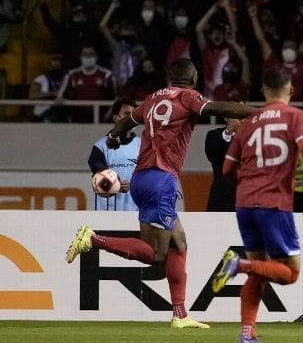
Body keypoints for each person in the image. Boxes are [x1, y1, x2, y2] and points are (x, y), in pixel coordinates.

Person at [65, 58, 256, 329]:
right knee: (155, 254)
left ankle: (180, 314)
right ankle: (94, 239)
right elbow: (215, 107)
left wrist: (111, 137)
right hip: (162, 179)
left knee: (179, 243)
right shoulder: (189, 96)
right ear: (193, 79)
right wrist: (254, 112)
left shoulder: (153, 99)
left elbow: (125, 123)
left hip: (142, 178)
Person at [210, 67, 303, 343]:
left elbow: (228, 169)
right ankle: (237, 265)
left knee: (260, 272)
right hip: (274, 204)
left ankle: (247, 334)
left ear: (263, 92)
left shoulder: (249, 123)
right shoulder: (296, 116)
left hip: (244, 204)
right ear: (290, 90)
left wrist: (247, 185)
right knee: (290, 273)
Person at [87, 98, 140, 211]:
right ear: (116, 118)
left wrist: (134, 185)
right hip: (106, 214)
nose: (131, 118)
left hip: (136, 215)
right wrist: (115, 185)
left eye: (133, 115)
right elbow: (99, 177)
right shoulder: (100, 146)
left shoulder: (143, 145)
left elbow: (149, 177)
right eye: (127, 114)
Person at [205, 114, 241, 212]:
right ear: (226, 117)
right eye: (236, 113)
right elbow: (214, 156)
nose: (240, 117)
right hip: (222, 199)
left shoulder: (254, 136)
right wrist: (228, 132)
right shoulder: (214, 135)